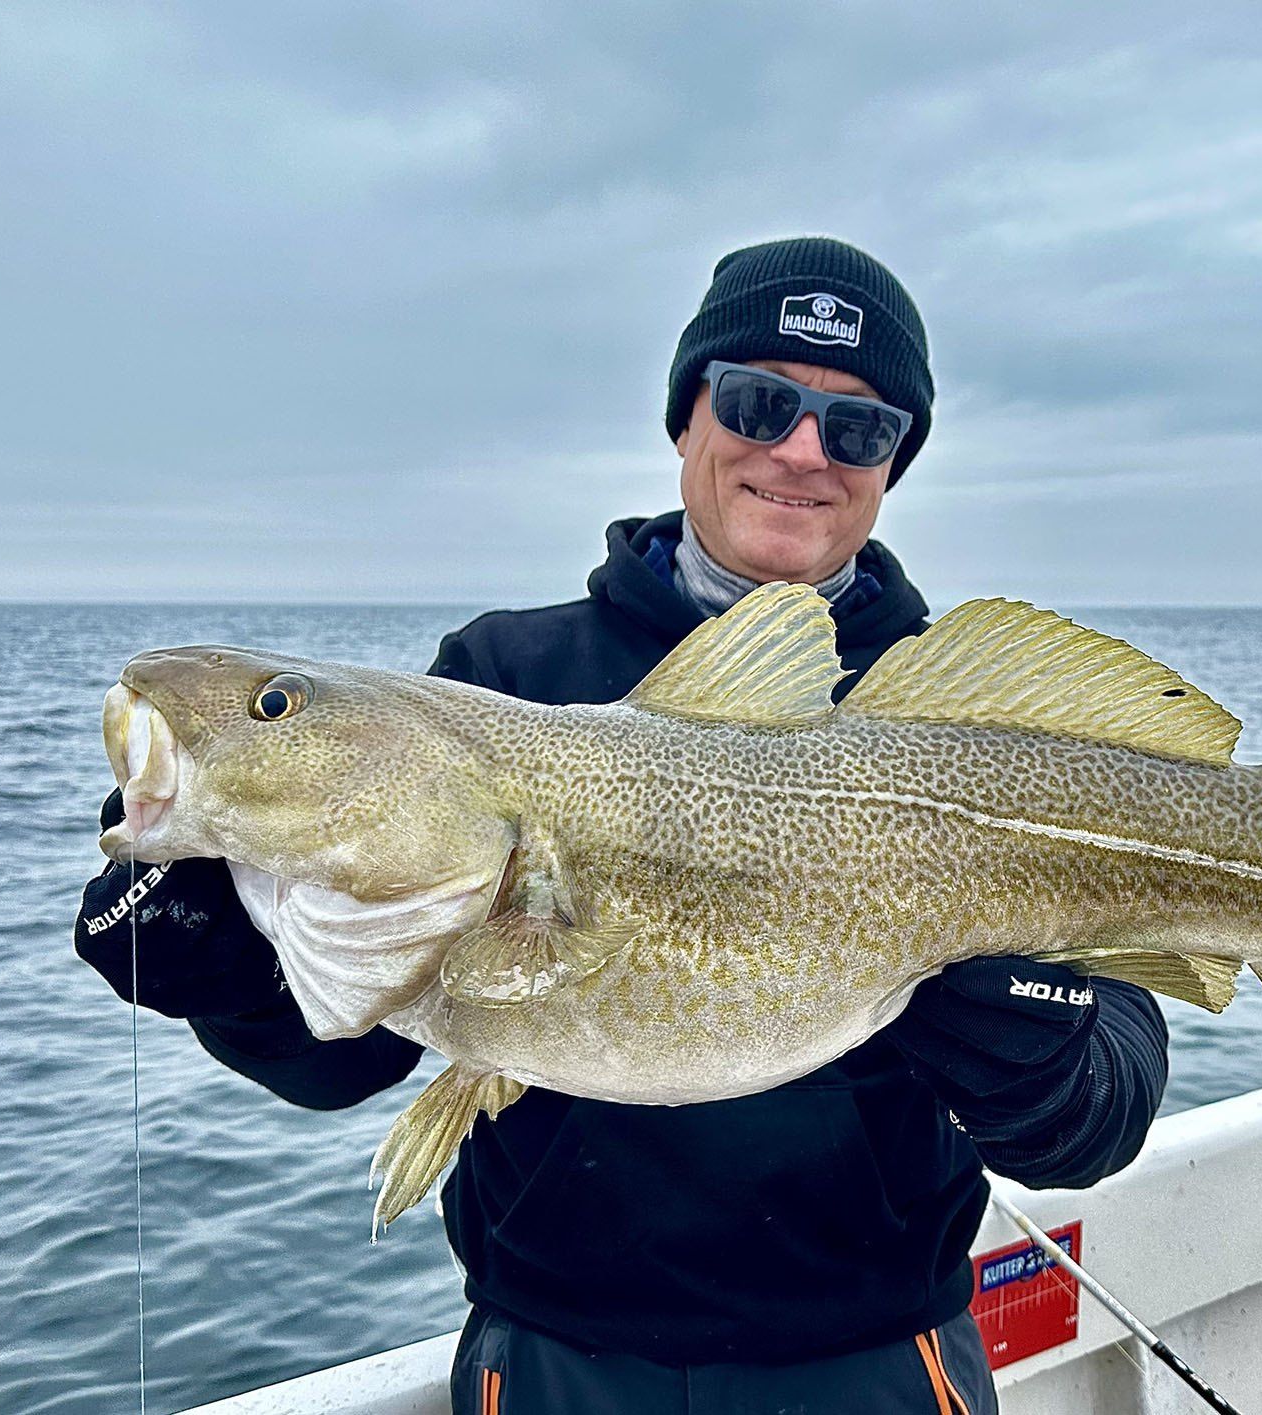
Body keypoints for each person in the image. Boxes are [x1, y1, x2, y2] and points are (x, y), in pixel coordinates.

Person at [75, 237, 1170, 1415]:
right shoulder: (506, 679)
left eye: (858, 428)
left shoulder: (975, 720)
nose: (802, 450)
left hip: (878, 1359)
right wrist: (228, 971)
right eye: (759, 401)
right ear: (685, 419)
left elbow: (1097, 1120)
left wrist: (1032, 1057)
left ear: (892, 466)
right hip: (557, 1359)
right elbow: (343, 1056)